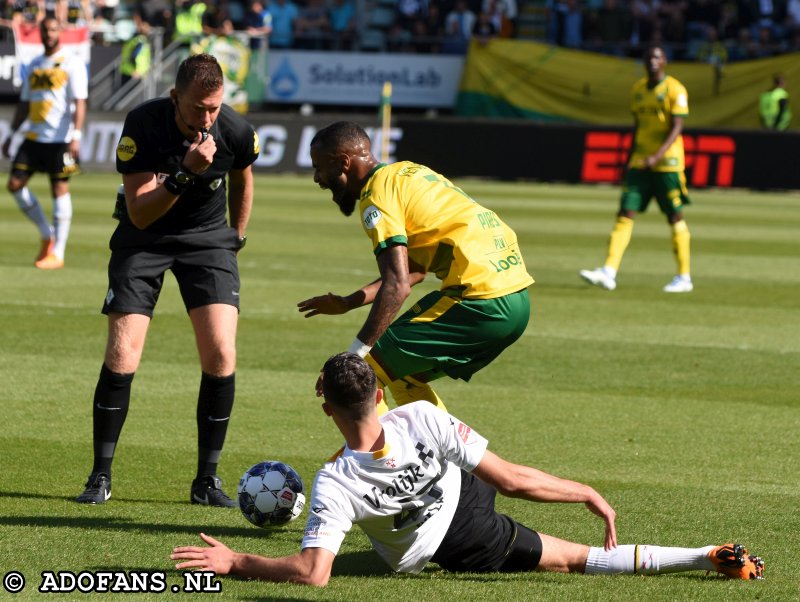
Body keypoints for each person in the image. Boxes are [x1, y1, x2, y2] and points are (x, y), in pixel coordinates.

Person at [171, 352, 765, 585]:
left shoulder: (337, 482)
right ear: (380, 396)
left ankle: (703, 556)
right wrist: (586, 491)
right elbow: (510, 478)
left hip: (458, 539)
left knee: (577, 559)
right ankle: (707, 556)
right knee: (489, 476)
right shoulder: (421, 415)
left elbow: (312, 572)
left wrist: (235, 561)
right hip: (465, 489)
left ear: (326, 407)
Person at [75, 54, 259, 506]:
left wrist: (235, 235)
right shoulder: (143, 123)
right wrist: (185, 173)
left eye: (214, 107)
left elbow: (243, 177)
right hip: (144, 239)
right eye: (198, 107)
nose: (208, 117)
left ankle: (206, 481)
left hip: (208, 242)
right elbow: (139, 211)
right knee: (123, 352)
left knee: (221, 351)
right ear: (176, 96)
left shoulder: (234, 130)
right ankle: (100, 476)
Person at [297, 121, 534, 414]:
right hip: (516, 299)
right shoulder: (411, 172)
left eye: (319, 168)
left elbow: (398, 285)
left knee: (360, 378)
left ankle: (377, 459)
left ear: (343, 162)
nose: (317, 178)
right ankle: (445, 458)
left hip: (480, 301)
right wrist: (348, 302)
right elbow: (415, 271)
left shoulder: (376, 196)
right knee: (403, 375)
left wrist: (355, 356)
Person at [580, 44, 693, 293]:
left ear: (665, 61)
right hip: (640, 164)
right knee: (625, 213)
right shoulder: (638, 90)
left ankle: (684, 277)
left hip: (668, 165)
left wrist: (657, 156)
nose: (653, 61)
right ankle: (609, 271)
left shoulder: (675, 89)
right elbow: (637, 127)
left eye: (658, 57)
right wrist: (629, 159)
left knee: (674, 216)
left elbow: (677, 128)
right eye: (649, 56)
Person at [1, 16, 86, 270]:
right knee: (15, 184)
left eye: (52, 30)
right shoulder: (35, 64)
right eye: (45, 30)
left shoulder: (72, 63)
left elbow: (80, 101)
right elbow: (25, 104)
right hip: (33, 136)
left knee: (59, 189)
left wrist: (76, 135)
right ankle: (47, 234)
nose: (48, 34)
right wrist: (10, 135)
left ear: (59, 32)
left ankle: (58, 253)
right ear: (40, 33)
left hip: (59, 138)